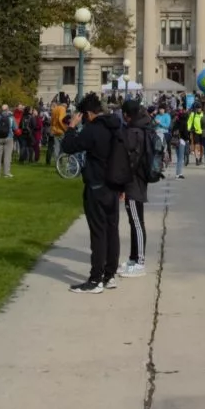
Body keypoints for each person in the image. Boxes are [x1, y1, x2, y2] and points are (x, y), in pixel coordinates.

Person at [61, 93, 126, 293]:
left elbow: (69, 147)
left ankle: (96, 279)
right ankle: (109, 275)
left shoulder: (93, 130)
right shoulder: (115, 127)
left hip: (97, 186)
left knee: (98, 233)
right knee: (112, 231)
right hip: (114, 185)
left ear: (88, 113)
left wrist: (72, 127)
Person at [120, 100, 153, 277]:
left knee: (137, 222)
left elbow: (130, 159)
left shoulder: (133, 132)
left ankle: (140, 262)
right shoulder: (142, 128)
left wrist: (122, 181)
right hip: (138, 179)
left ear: (127, 115)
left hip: (133, 181)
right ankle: (133, 258)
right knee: (134, 221)